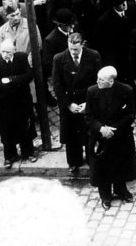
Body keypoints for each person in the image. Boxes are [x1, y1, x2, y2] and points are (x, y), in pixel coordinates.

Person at [84, 66, 136, 210]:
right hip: (100, 136)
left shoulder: (126, 91)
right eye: (98, 79)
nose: (98, 82)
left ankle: (121, 190)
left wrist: (115, 129)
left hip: (119, 135)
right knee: (102, 167)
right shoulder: (92, 91)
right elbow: (88, 116)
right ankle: (105, 196)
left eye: (101, 80)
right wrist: (101, 129)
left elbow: (130, 114)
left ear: (111, 81)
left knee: (120, 164)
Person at [51, 32, 102, 176]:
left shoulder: (93, 56)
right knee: (71, 135)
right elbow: (57, 85)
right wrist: (69, 105)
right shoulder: (59, 59)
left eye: (76, 49)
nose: (73, 52)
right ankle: (74, 162)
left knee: (90, 133)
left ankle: (92, 160)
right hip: (69, 104)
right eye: (71, 49)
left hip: (88, 101)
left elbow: (98, 81)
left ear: (82, 44)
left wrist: (89, 103)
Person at [0, 39, 35, 168]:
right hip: (3, 103)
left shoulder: (22, 58)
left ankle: (28, 153)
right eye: (2, 51)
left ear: (14, 50)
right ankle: (9, 156)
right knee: (6, 130)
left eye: (8, 52)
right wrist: (17, 83)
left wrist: (10, 80)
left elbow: (29, 76)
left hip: (21, 100)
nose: (5, 54)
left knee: (24, 127)